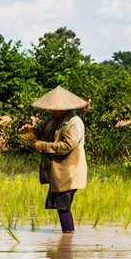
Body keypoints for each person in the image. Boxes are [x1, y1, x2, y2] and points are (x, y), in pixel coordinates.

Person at [20, 85, 88, 234]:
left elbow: (67, 146)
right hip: (58, 171)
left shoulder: (74, 122)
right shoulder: (52, 118)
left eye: (56, 109)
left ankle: (68, 237)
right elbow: (39, 130)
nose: (53, 111)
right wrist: (28, 131)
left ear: (64, 108)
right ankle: (67, 235)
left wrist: (42, 146)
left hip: (69, 171)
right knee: (60, 205)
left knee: (62, 205)